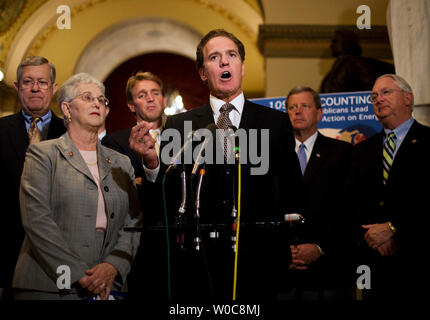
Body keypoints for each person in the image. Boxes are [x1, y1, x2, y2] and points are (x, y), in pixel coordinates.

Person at [129, 29, 304, 301]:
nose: (224, 62)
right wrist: (152, 163)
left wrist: (294, 242)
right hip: (199, 266)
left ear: (241, 67)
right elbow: (166, 200)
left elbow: (294, 192)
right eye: (214, 57)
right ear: (202, 72)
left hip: (260, 263)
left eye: (231, 55)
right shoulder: (180, 126)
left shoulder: (275, 123)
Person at [12, 73, 141, 300]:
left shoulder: (122, 162)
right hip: (49, 287)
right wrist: (78, 274)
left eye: (101, 100)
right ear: (67, 109)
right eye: (87, 97)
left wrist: (113, 266)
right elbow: (37, 221)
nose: (96, 103)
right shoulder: (43, 154)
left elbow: (134, 221)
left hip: (108, 286)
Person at [347, 74, 430, 300]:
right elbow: (352, 201)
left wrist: (394, 229)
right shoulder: (361, 150)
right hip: (374, 264)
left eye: (385, 92)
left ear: (407, 98)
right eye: (374, 96)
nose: (378, 99)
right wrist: (371, 236)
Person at [0, 56, 66, 300]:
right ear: (17, 87)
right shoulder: (1, 130)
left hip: (61, 252)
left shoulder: (72, 133)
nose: (35, 88)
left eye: (42, 82)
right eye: (28, 82)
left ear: (54, 88)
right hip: (9, 254)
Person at [282, 86, 354, 300]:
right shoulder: (273, 155)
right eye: (292, 107)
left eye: (305, 106)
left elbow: (347, 208)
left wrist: (320, 247)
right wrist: (284, 251)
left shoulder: (343, 153)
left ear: (319, 113)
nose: (297, 111)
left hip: (329, 271)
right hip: (283, 273)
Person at [102, 71, 166, 299]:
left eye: (155, 93)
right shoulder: (115, 142)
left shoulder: (182, 137)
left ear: (164, 100)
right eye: (142, 94)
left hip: (176, 243)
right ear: (131, 105)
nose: (150, 98)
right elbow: (123, 194)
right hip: (139, 245)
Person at [320, 28, 395, 93]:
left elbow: (373, 85)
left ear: (346, 42)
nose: (331, 45)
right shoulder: (340, 65)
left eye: (335, 41)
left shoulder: (354, 64)